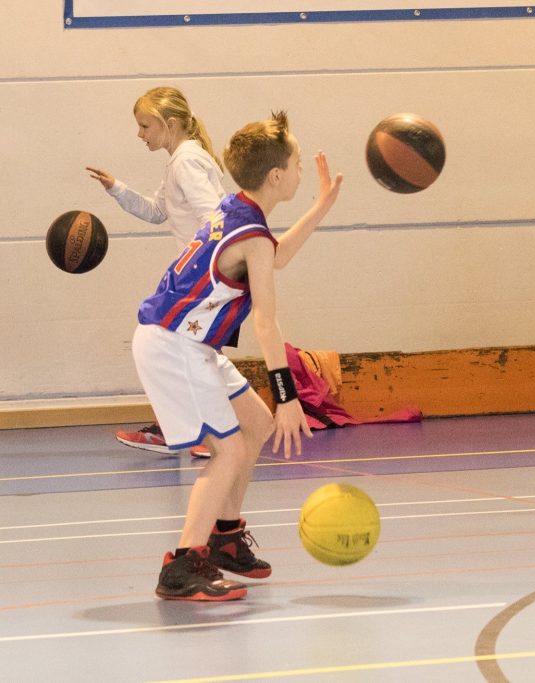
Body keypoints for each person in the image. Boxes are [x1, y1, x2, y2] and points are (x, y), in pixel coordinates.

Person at [134, 111, 343, 600]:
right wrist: (288, 396)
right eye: (295, 161)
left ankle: (225, 537)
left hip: (188, 341)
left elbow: (275, 255)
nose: (299, 168)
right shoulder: (251, 234)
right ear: (276, 176)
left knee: (255, 424)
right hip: (173, 344)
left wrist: (320, 206)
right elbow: (266, 324)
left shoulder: (238, 210)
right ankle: (182, 566)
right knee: (226, 451)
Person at [87, 86, 226, 457]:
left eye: (145, 125)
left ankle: (194, 434)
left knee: (166, 346)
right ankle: (196, 433)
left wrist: (189, 268)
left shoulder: (187, 161)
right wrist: (116, 188)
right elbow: (156, 212)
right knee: (189, 354)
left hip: (204, 277)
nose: (140, 134)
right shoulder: (180, 160)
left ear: (171, 124)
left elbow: (214, 220)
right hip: (204, 275)